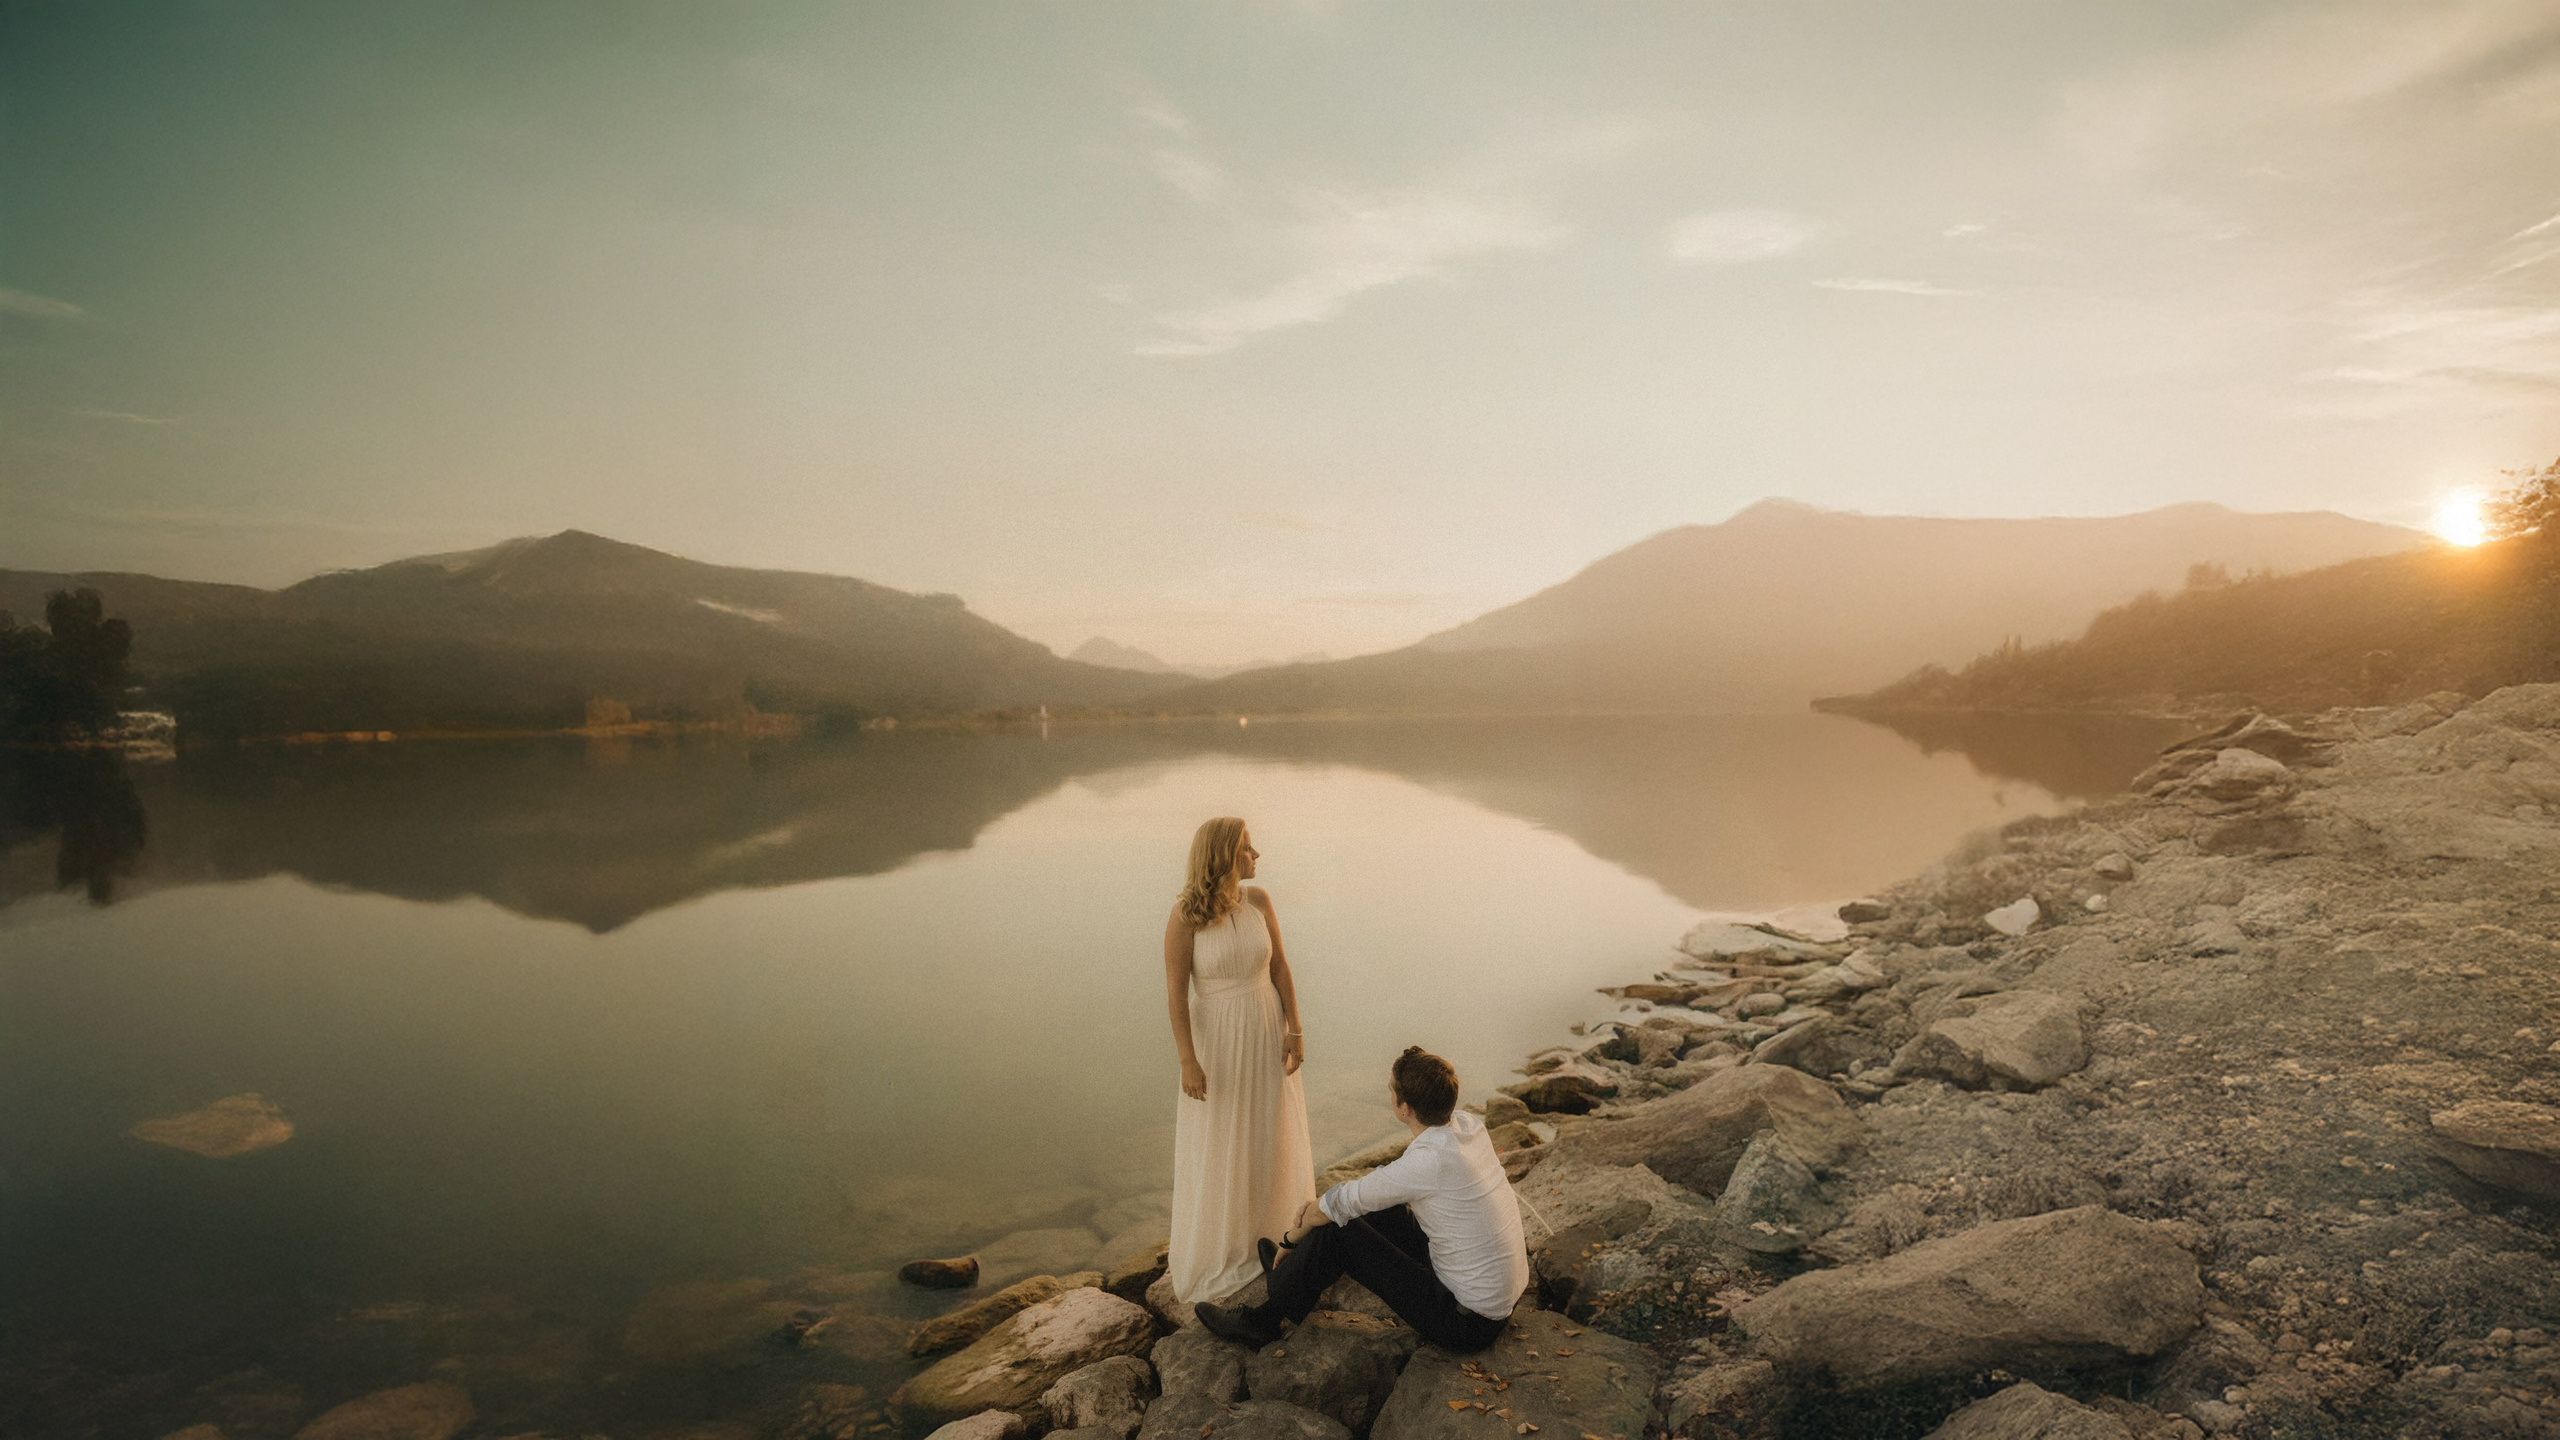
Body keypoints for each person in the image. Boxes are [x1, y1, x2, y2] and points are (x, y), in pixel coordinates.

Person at [1196, 1045, 1527, 1353]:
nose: (1390, 1094)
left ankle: (1264, 1319)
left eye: (1391, 1089)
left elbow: (1331, 1207)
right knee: (1379, 1207)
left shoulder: (1428, 1162)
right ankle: (1292, 1275)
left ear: (1405, 1108)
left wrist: (1289, 1241)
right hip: (1489, 1300)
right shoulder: (1469, 1126)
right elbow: (1360, 1196)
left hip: (1465, 1323)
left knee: (1339, 1229)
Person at [1165, 816, 1316, 1302]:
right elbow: (1175, 995)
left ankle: (1274, 1230)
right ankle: (1226, 1242)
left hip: (1266, 1028)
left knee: (1269, 1128)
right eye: (1249, 849)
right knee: (1224, 1135)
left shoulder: (1259, 901)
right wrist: (1188, 1061)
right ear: (1223, 857)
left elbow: (1279, 967)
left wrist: (1294, 1028)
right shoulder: (1185, 917)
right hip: (1219, 1041)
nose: (1257, 856)